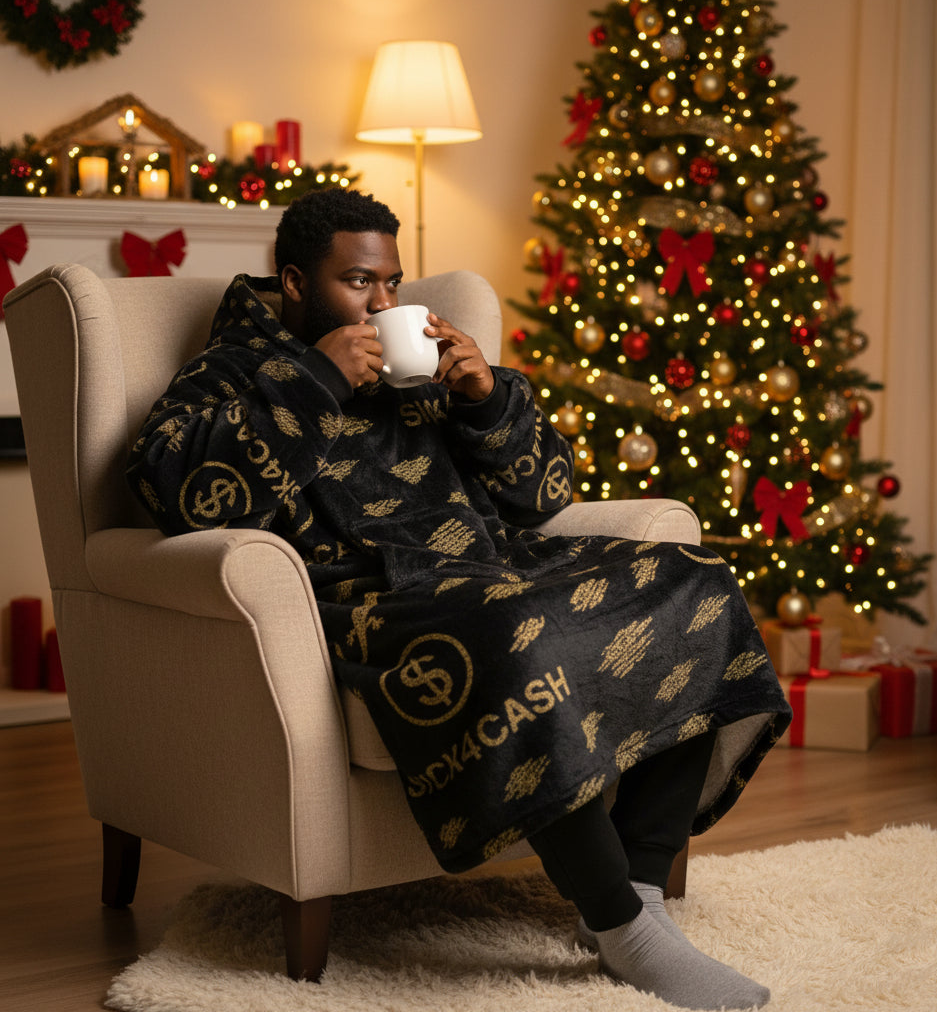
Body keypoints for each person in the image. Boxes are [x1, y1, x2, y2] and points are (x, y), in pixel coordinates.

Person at [127, 187, 791, 1010]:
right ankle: (621, 927)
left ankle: (640, 888)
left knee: (692, 580)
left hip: (489, 566)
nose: (384, 304)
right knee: (513, 635)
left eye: (392, 284)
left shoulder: (421, 362)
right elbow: (174, 496)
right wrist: (313, 382)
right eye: (359, 283)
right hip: (367, 599)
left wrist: (487, 398)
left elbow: (544, 492)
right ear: (295, 282)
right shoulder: (231, 370)